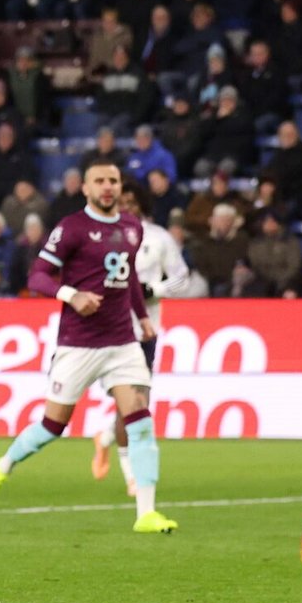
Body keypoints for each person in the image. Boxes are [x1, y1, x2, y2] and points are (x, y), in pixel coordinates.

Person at [0, 158, 176, 534]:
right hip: (78, 344)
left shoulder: (132, 227)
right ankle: (2, 467)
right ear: (85, 188)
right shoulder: (72, 228)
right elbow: (38, 275)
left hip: (122, 342)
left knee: (141, 421)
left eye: (113, 180)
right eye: (99, 180)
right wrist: (71, 295)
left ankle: (146, 513)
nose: (107, 187)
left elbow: (128, 276)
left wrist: (142, 316)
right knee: (53, 425)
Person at [91, 181, 190, 495]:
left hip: (144, 331)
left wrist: (154, 290)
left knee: (134, 404)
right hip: (111, 330)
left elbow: (181, 278)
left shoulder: (159, 238)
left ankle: (106, 438)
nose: (127, 208)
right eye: (123, 202)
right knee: (131, 403)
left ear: (142, 205)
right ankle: (131, 474)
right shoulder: (101, 237)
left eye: (132, 202)